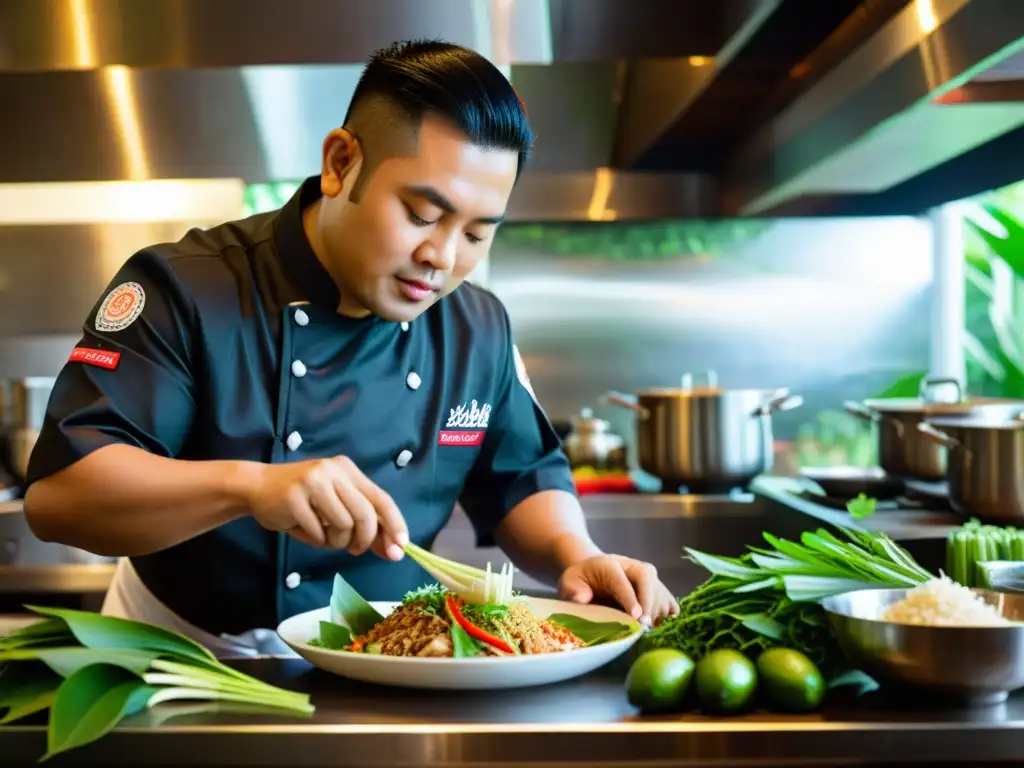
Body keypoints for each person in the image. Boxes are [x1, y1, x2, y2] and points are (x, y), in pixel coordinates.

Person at [23, 40, 678, 657]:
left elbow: (519, 478)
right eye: (422, 214)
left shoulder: (476, 326)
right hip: (177, 656)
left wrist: (574, 552)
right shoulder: (187, 287)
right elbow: (61, 498)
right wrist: (249, 485)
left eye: (477, 233)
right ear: (341, 163)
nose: (443, 258)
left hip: (388, 661)